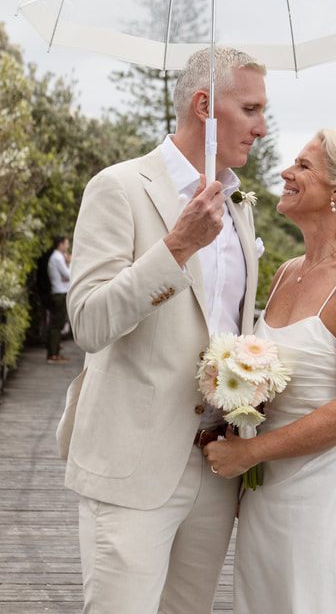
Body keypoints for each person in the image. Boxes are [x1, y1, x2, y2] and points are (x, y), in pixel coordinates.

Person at [55, 46, 268, 614]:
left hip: (215, 463)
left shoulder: (240, 205)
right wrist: (177, 246)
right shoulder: (118, 187)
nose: (262, 127)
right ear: (204, 105)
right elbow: (89, 322)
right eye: (250, 109)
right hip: (132, 463)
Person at [205, 128, 336, 613]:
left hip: (325, 490)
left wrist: (247, 455)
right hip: (267, 492)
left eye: (303, 166)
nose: (286, 173)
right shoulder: (288, 271)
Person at [46, 235, 71, 363]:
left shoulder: (58, 257)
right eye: (66, 244)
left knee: (58, 323)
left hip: (60, 292)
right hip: (59, 293)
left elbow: (66, 277)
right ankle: (53, 354)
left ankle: (55, 352)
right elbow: (68, 275)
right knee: (57, 324)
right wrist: (70, 263)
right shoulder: (57, 257)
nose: (68, 246)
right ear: (60, 245)